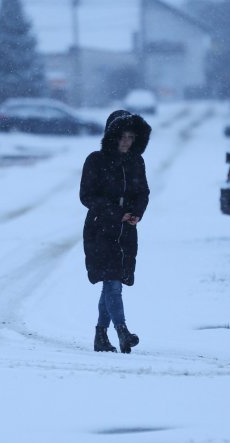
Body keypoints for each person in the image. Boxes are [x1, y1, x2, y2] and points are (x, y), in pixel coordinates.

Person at [80, 110, 151, 353]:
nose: (126, 142)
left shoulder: (136, 162)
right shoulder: (95, 160)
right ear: (112, 136)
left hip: (126, 229)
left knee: (114, 281)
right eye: (122, 136)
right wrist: (115, 212)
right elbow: (87, 196)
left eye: (131, 137)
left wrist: (136, 213)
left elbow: (143, 192)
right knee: (112, 282)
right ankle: (122, 331)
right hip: (100, 228)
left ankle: (101, 336)